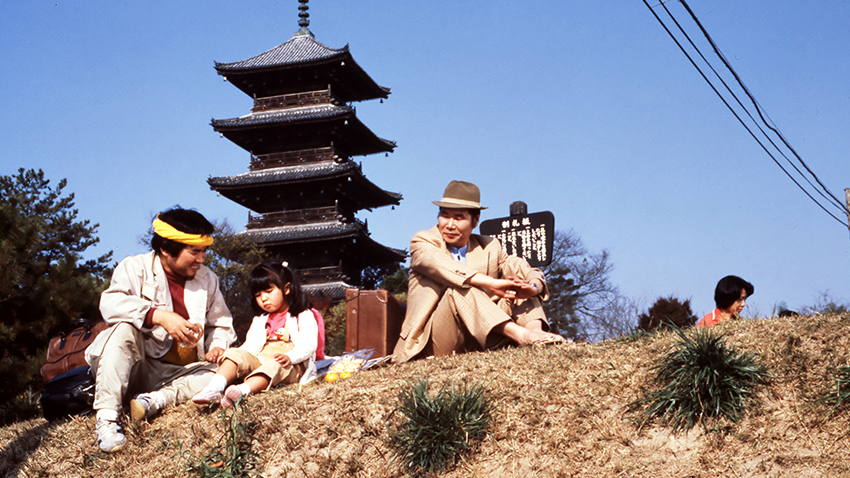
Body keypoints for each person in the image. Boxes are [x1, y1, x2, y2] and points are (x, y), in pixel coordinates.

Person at [87, 207, 236, 453]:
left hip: (179, 373)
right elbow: (111, 304)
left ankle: (154, 400)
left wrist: (217, 345)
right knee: (123, 328)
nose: (201, 259)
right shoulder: (134, 267)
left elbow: (220, 323)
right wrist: (159, 316)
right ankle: (107, 418)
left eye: (204, 251)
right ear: (166, 249)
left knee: (226, 370)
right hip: (137, 365)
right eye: (194, 251)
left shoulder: (208, 279)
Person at [392, 180, 564, 364]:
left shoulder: (488, 246)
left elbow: (519, 266)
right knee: (459, 287)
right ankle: (521, 335)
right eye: (444, 216)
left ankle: (536, 332)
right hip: (433, 339)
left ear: (475, 220)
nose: (449, 225)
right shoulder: (424, 240)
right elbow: (439, 264)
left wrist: (533, 286)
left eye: (458, 218)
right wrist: (490, 283)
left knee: (517, 284)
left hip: (479, 337)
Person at [191, 262, 319, 408]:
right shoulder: (260, 320)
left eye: (268, 291)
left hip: (290, 365)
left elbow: (309, 345)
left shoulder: (302, 315)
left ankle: (242, 390)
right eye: (258, 295)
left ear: (286, 288)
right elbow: (250, 346)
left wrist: (290, 357)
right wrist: (234, 355)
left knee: (274, 364)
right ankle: (214, 388)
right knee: (235, 353)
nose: (263, 298)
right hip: (261, 358)